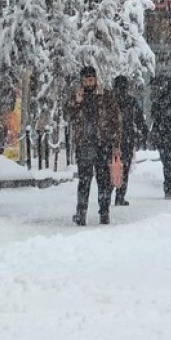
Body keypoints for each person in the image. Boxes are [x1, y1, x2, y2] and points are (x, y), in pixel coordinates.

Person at [66, 66, 122, 226]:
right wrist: (76, 103)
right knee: (84, 179)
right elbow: (68, 116)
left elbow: (116, 121)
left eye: (91, 80)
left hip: (103, 143)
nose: (88, 84)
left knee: (103, 179)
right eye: (85, 80)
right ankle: (81, 212)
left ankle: (104, 212)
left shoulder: (105, 96)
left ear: (96, 79)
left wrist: (115, 144)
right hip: (84, 144)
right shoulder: (78, 97)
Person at [113, 76, 148, 206]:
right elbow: (139, 119)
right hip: (126, 137)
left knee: (112, 167)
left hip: (113, 139)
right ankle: (120, 194)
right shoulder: (130, 101)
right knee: (125, 168)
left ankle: (108, 193)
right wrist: (144, 132)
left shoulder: (111, 100)